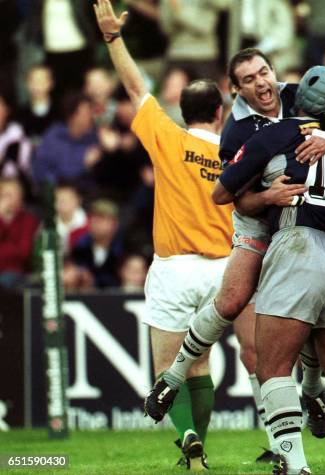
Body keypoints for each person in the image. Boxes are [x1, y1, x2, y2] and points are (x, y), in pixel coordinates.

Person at [144, 47, 325, 463]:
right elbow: (235, 200)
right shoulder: (240, 127)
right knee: (232, 300)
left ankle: (307, 408)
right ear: (235, 89)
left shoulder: (302, 95)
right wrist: (269, 194)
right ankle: (173, 377)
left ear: (274, 72)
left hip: (300, 231)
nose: (261, 83)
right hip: (267, 220)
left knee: (276, 348)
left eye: (264, 72)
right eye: (249, 79)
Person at [214, 65, 325, 475]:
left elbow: (221, 193)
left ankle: (295, 466)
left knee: (273, 367)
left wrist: (263, 192)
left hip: (300, 244)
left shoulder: (272, 135)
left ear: (295, 100)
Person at [93, 0, 233, 469]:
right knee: (201, 365)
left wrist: (114, 38)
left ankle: (187, 436)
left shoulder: (168, 139)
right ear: (220, 111)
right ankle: (200, 449)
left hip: (175, 268)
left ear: (182, 108)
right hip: (222, 272)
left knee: (166, 369)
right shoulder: (237, 155)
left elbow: (135, 86)